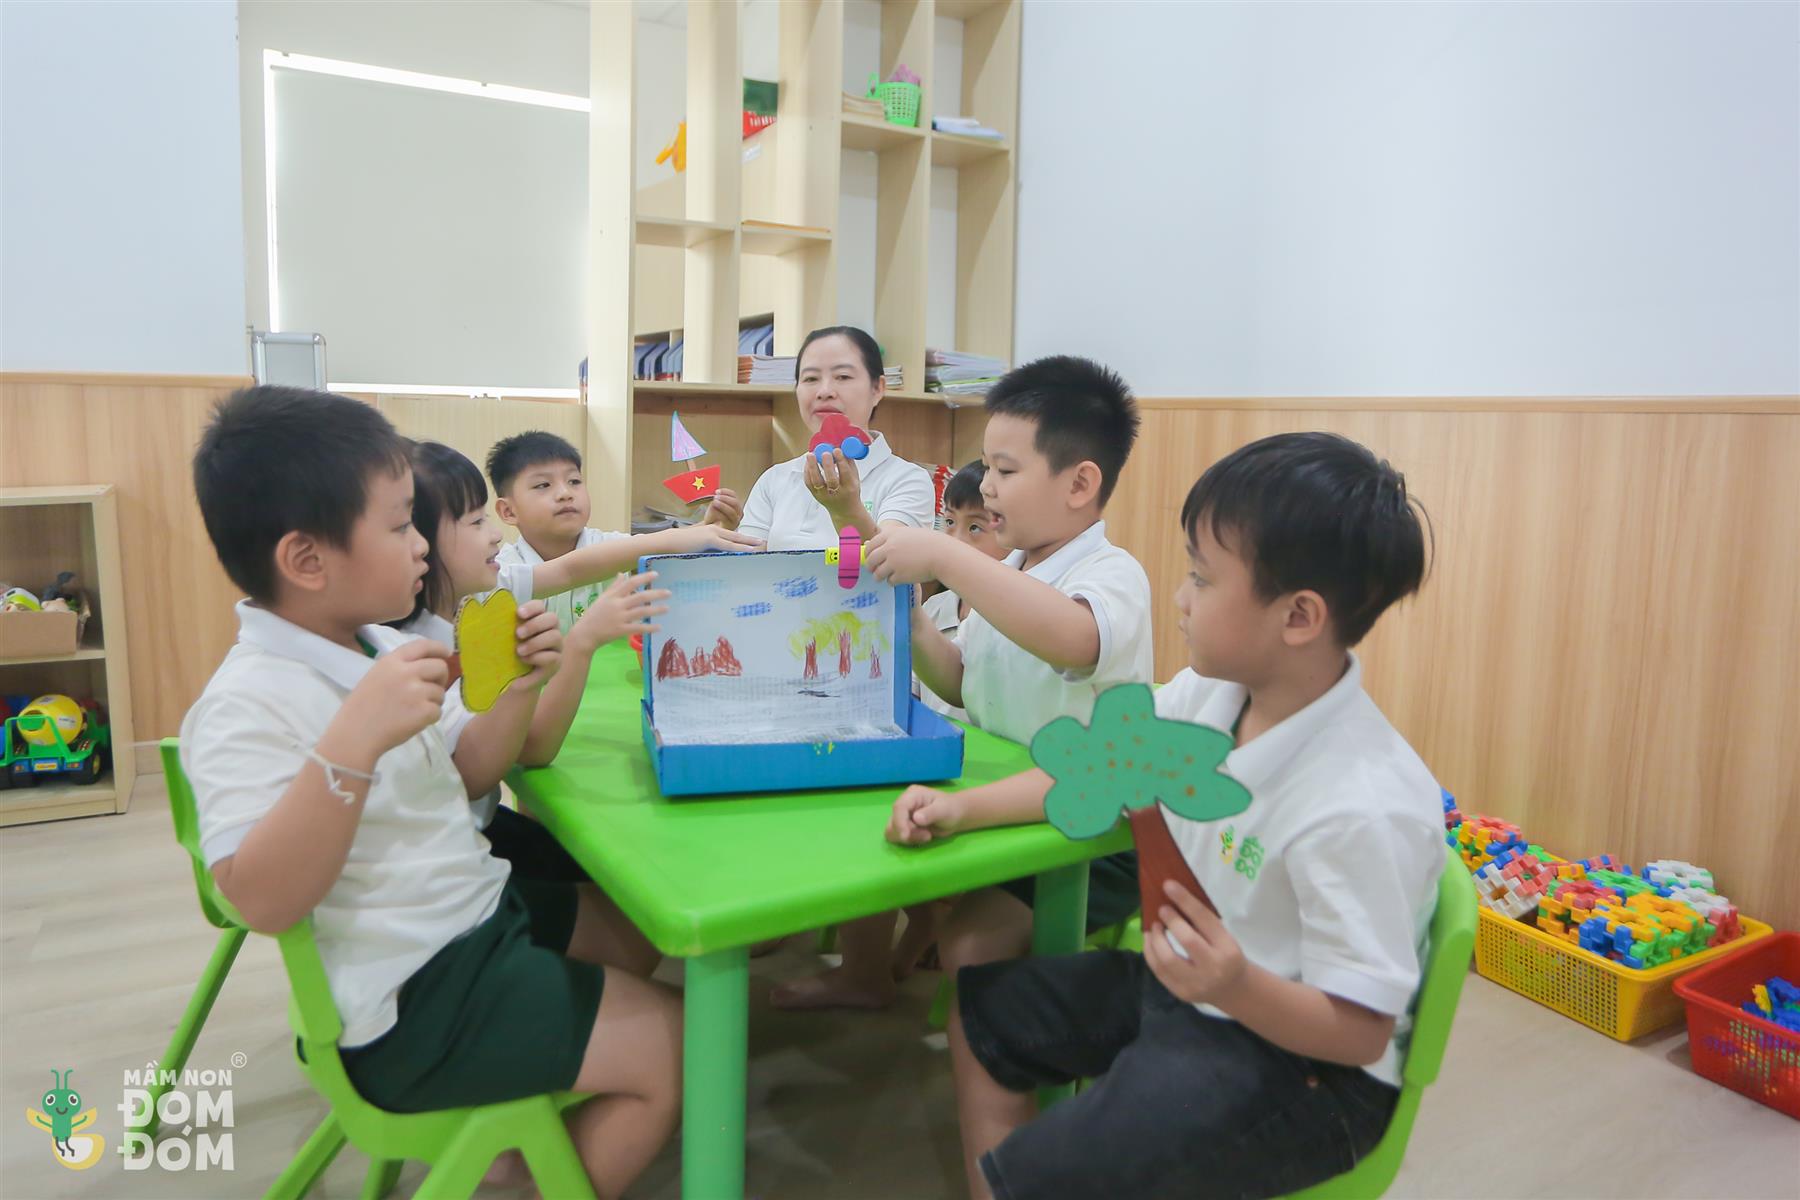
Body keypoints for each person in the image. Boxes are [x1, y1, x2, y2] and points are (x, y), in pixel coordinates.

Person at [180, 387, 680, 1197]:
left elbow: (466, 774)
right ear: (307, 561)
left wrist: (519, 686)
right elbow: (258, 900)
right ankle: (526, 1169)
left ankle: (512, 1130)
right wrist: (352, 744)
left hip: (466, 918)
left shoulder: (375, 644)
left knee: (634, 929)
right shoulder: (248, 702)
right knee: (675, 1042)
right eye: (399, 526)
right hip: (413, 996)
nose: (421, 545)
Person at [914, 432, 1441, 1199]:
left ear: (1298, 616)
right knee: (986, 1014)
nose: (1181, 598)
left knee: (1034, 1175)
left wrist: (1234, 985)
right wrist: (963, 808)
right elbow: (1095, 761)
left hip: (1307, 1070)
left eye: (1201, 577)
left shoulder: (1362, 803)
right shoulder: (1212, 694)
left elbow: (1360, 1031)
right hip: (1201, 989)